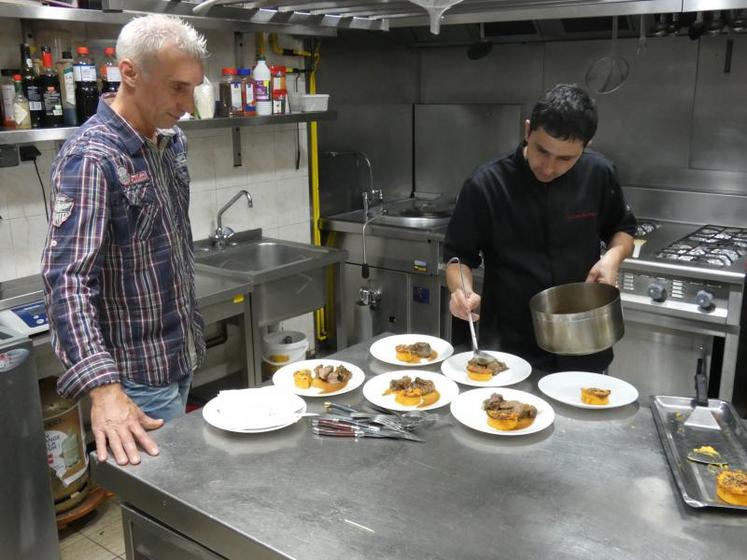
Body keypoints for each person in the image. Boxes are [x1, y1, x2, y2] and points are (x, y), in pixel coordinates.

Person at [41, 15, 208, 466]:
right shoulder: (91, 158)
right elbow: (67, 281)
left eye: (193, 87)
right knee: (170, 503)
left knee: (184, 492)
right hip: (134, 379)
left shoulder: (170, 143)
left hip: (179, 356)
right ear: (129, 72)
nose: (188, 104)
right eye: (177, 87)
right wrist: (105, 390)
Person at [444, 83, 636, 373]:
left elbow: (622, 230)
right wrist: (462, 292)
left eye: (565, 158)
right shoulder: (486, 184)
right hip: (510, 349)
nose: (548, 167)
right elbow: (458, 257)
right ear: (527, 131)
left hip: (584, 342)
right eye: (541, 151)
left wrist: (612, 259)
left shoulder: (599, 174)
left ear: (586, 147)